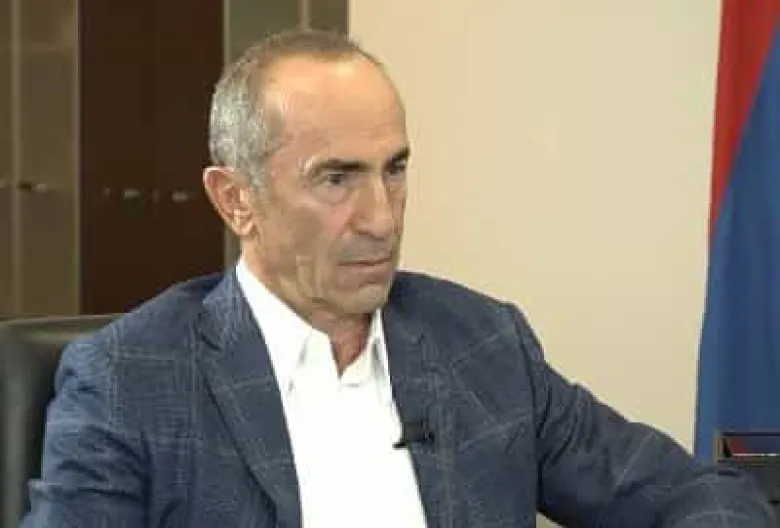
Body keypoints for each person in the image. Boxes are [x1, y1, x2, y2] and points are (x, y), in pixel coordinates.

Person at [22, 29, 776, 528]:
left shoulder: (481, 343)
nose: (381, 218)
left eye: (395, 169)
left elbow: (696, 495)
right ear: (236, 200)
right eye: (337, 179)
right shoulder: (131, 379)